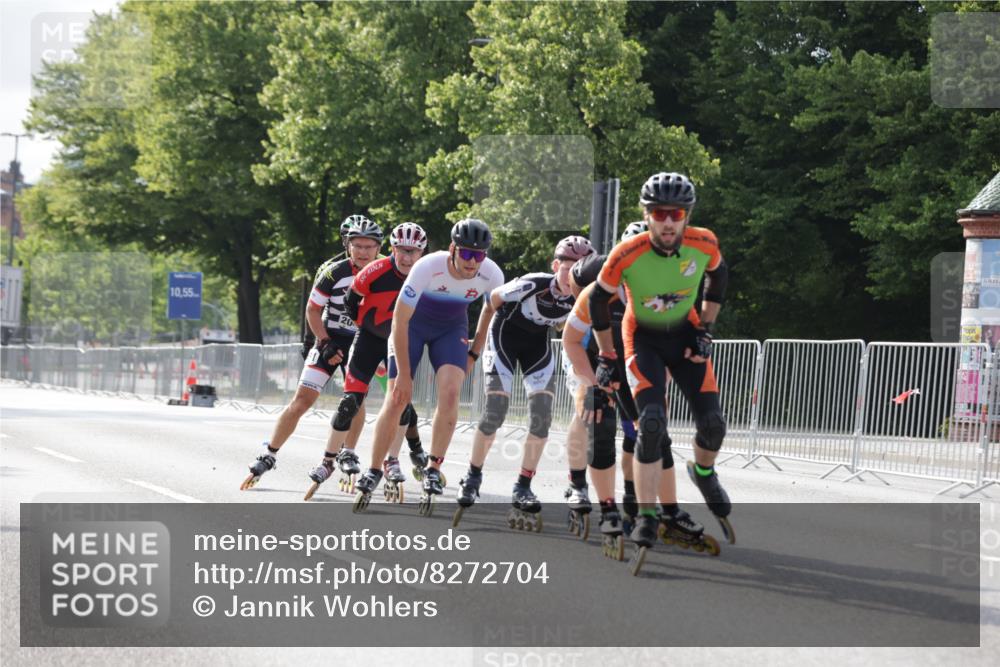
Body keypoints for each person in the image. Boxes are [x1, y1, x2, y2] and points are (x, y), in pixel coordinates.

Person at [590, 172, 731, 574]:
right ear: (646, 214)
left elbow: (719, 276)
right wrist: (606, 355)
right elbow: (598, 301)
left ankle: (703, 472)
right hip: (643, 339)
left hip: (685, 333)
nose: (668, 221)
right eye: (659, 213)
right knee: (651, 424)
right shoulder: (627, 253)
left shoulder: (704, 243)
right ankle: (648, 514)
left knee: (713, 425)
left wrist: (706, 328)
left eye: (677, 214)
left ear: (688, 216)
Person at [352, 219, 504, 515]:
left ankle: (433, 468)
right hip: (412, 326)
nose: (472, 262)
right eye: (466, 254)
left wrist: (475, 351)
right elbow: (399, 320)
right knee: (397, 397)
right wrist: (404, 374)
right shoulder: (427, 267)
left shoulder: (492, 273)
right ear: (452, 249)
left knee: (450, 393)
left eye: (479, 255)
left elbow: (491, 311)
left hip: (451, 328)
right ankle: (374, 469)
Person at [453, 236, 594, 531]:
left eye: (580, 269)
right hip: (503, 337)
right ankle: (473, 476)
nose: (573, 276)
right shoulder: (532, 283)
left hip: (537, 346)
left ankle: (523, 485)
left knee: (542, 417)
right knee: (495, 410)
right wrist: (476, 350)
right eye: (567, 269)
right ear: (555, 266)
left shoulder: (585, 296)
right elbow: (490, 304)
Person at [240, 215, 383, 490]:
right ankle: (269, 454)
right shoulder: (333, 272)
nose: (363, 252)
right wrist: (322, 342)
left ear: (378, 248)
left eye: (369, 247)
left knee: (355, 400)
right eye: (358, 246)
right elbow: (312, 309)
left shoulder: (385, 271)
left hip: (363, 340)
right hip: (331, 337)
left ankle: (348, 452)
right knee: (302, 399)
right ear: (347, 245)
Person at [303, 223, 429, 501]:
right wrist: (363, 325)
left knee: (400, 402)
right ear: (392, 248)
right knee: (350, 402)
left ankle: (392, 460)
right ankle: (327, 461)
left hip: (400, 343)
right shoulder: (375, 269)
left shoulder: (426, 276)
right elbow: (350, 301)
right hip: (369, 339)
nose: (407, 257)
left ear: (422, 253)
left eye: (413, 252)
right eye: (401, 250)